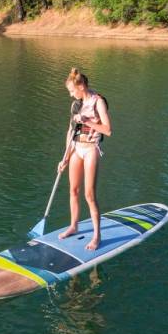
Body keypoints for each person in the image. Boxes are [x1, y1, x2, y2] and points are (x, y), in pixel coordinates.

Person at [57, 67, 112, 251]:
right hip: (76, 148)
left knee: (89, 194)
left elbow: (108, 130)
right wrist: (65, 156)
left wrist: (87, 121)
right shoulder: (76, 105)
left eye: (72, 91)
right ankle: (74, 225)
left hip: (91, 150)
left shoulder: (98, 102)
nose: (71, 95)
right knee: (73, 190)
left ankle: (97, 236)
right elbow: (71, 131)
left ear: (81, 86)